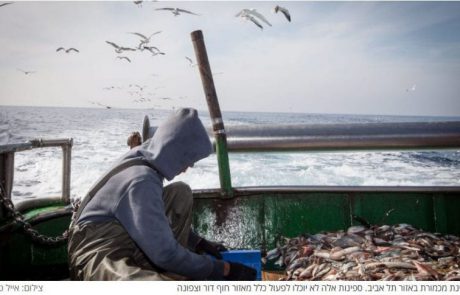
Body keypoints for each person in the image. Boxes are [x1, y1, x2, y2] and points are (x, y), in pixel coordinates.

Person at [68, 108, 257, 280]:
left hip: (126, 238)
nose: (187, 167)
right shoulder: (141, 181)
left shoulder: (144, 158)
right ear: (175, 150)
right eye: (188, 159)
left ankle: (175, 269)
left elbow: (153, 221)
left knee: (180, 192)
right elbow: (164, 253)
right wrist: (221, 269)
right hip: (97, 254)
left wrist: (197, 242)